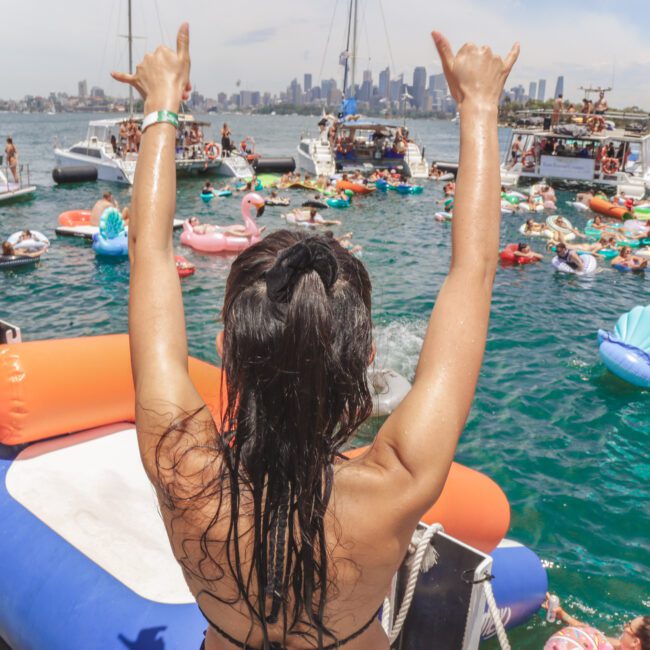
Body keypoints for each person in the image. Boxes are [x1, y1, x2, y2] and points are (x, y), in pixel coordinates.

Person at [113, 23, 518, 650]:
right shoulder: (398, 481)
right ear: (368, 361)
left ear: (226, 353)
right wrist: (482, 109)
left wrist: (161, 102)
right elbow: (474, 274)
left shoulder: (182, 468)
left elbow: (149, 253)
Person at [544, 595, 650, 650]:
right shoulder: (621, 646)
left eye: (629, 626)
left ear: (635, 642)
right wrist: (563, 615)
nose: (624, 626)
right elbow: (593, 637)